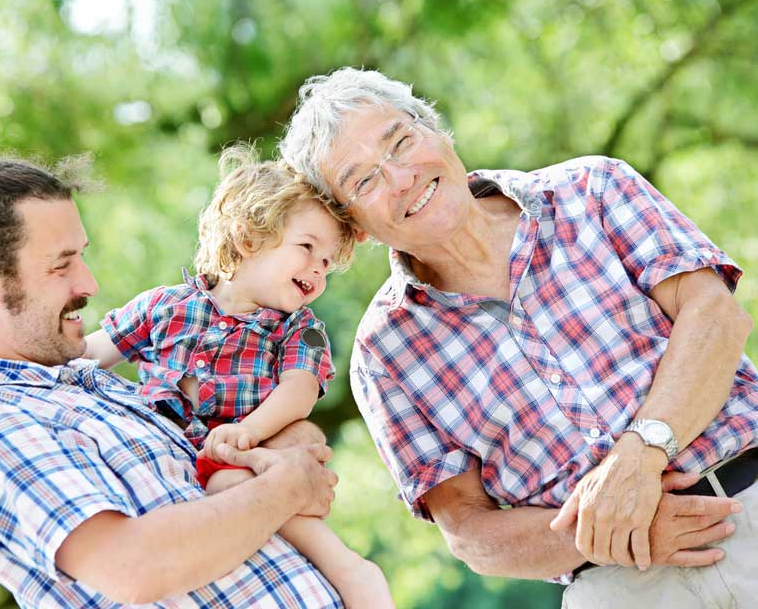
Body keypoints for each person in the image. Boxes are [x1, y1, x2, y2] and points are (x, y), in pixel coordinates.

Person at [278, 67, 757, 606]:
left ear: (436, 131)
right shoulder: (383, 352)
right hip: (620, 586)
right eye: (363, 181)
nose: (400, 178)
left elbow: (716, 317)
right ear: (355, 226)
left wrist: (640, 454)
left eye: (402, 142)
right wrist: (608, 530)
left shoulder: (593, 189)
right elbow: (469, 532)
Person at [0, 156, 345, 608]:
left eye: (82, 257)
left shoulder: (98, 387)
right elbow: (134, 566)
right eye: (61, 264)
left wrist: (287, 443)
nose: (89, 284)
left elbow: (244, 469)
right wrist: (287, 486)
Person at [83, 148, 394, 608]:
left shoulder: (298, 329)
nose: (317, 269)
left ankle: (349, 569)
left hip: (240, 457)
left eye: (327, 263)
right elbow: (90, 355)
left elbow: (300, 390)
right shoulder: (164, 306)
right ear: (249, 238)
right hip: (165, 462)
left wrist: (248, 433)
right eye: (307, 247)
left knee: (234, 484)